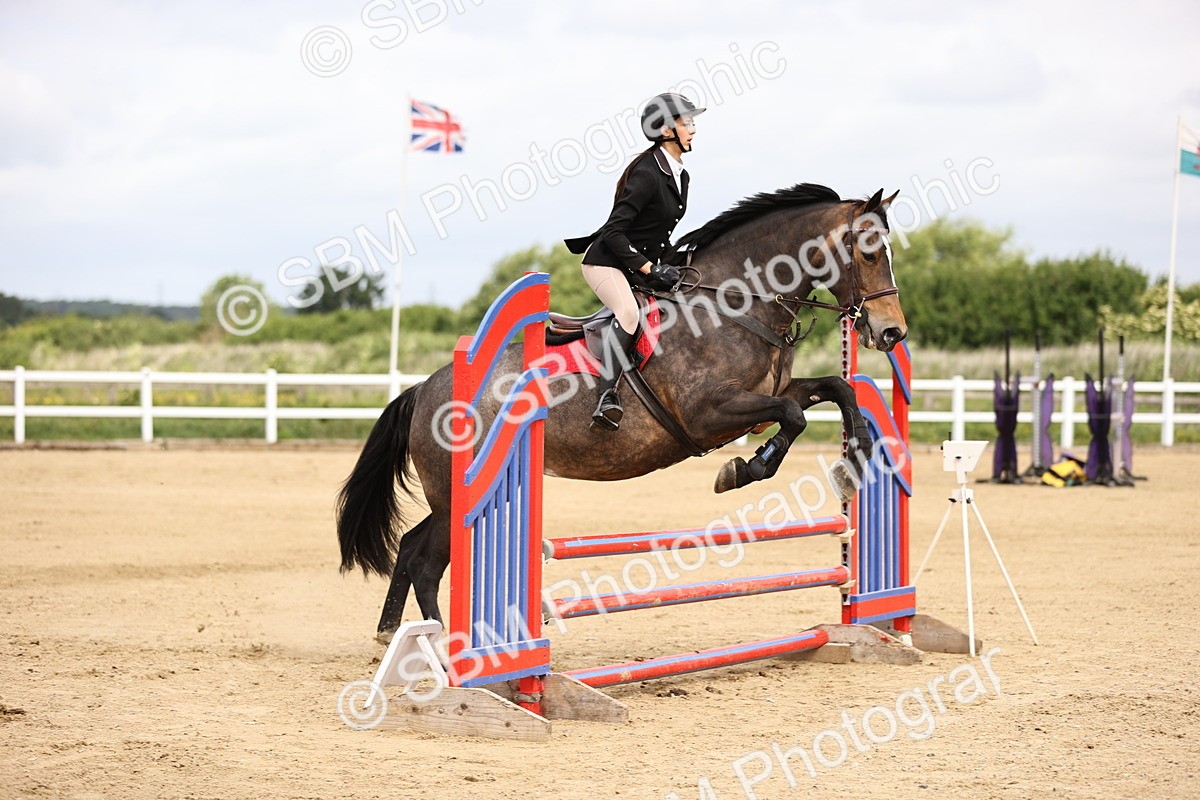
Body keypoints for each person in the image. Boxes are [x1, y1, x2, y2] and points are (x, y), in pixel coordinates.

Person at [564, 92, 705, 430]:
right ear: (666, 130)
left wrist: (679, 259)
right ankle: (606, 397)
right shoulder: (647, 172)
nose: (693, 129)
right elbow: (614, 231)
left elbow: (657, 234)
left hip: (634, 264)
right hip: (606, 262)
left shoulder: (680, 176)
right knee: (628, 312)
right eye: (687, 123)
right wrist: (650, 269)